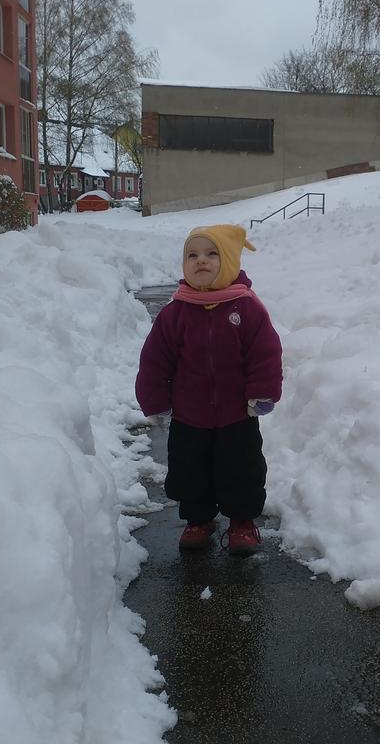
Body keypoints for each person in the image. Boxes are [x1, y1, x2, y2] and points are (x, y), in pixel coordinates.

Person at [135, 224, 283, 556]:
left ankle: (242, 522)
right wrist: (155, 398)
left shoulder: (246, 308)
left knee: (241, 468)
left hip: (237, 415)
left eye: (212, 254)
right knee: (190, 469)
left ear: (228, 261)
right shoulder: (176, 313)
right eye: (192, 255)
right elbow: (156, 359)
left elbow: (266, 353)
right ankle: (198, 519)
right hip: (189, 415)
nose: (201, 261)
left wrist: (262, 393)